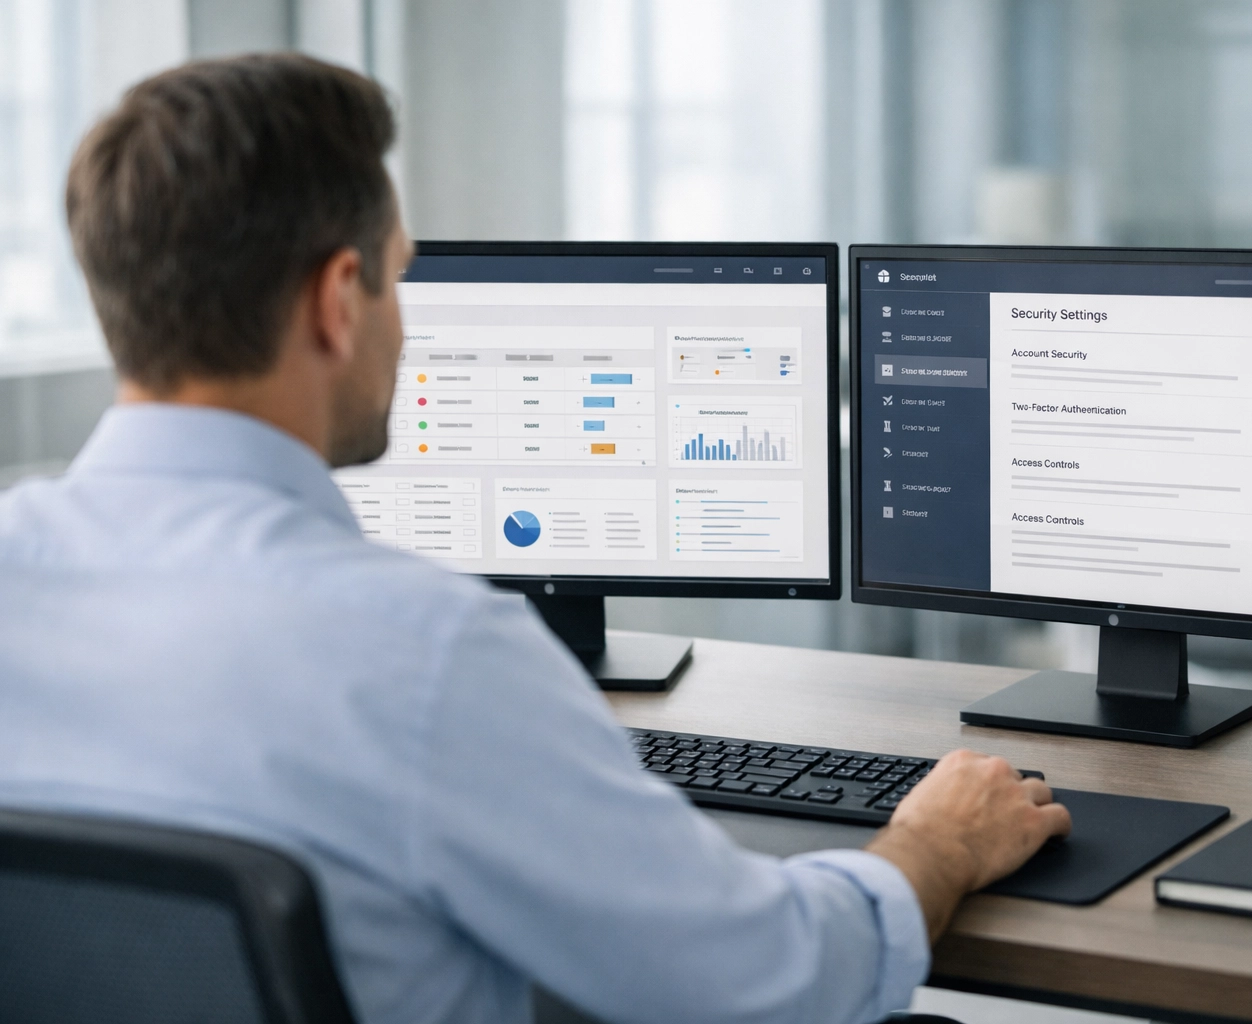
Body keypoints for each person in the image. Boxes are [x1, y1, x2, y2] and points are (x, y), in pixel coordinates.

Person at [0, 54, 1069, 1024]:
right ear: (337, 300)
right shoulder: (425, 651)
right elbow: (770, 981)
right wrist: (935, 842)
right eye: (399, 274)